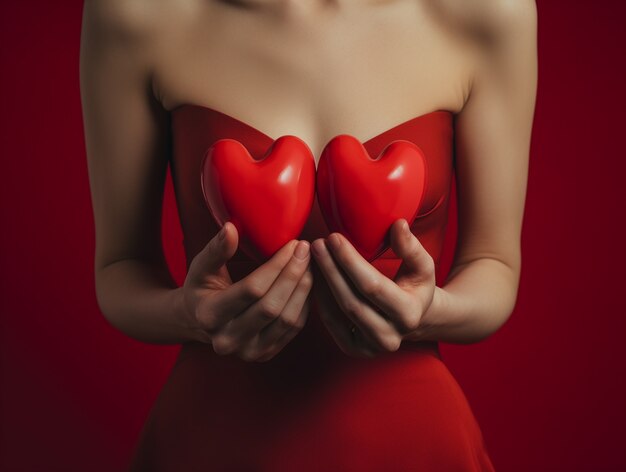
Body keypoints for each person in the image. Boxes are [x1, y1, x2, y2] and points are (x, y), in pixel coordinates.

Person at [79, 0, 537, 470]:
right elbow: (121, 267)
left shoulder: (486, 12)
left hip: (415, 444)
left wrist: (429, 312)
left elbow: (493, 263)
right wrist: (191, 314)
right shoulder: (137, 14)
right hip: (213, 442)